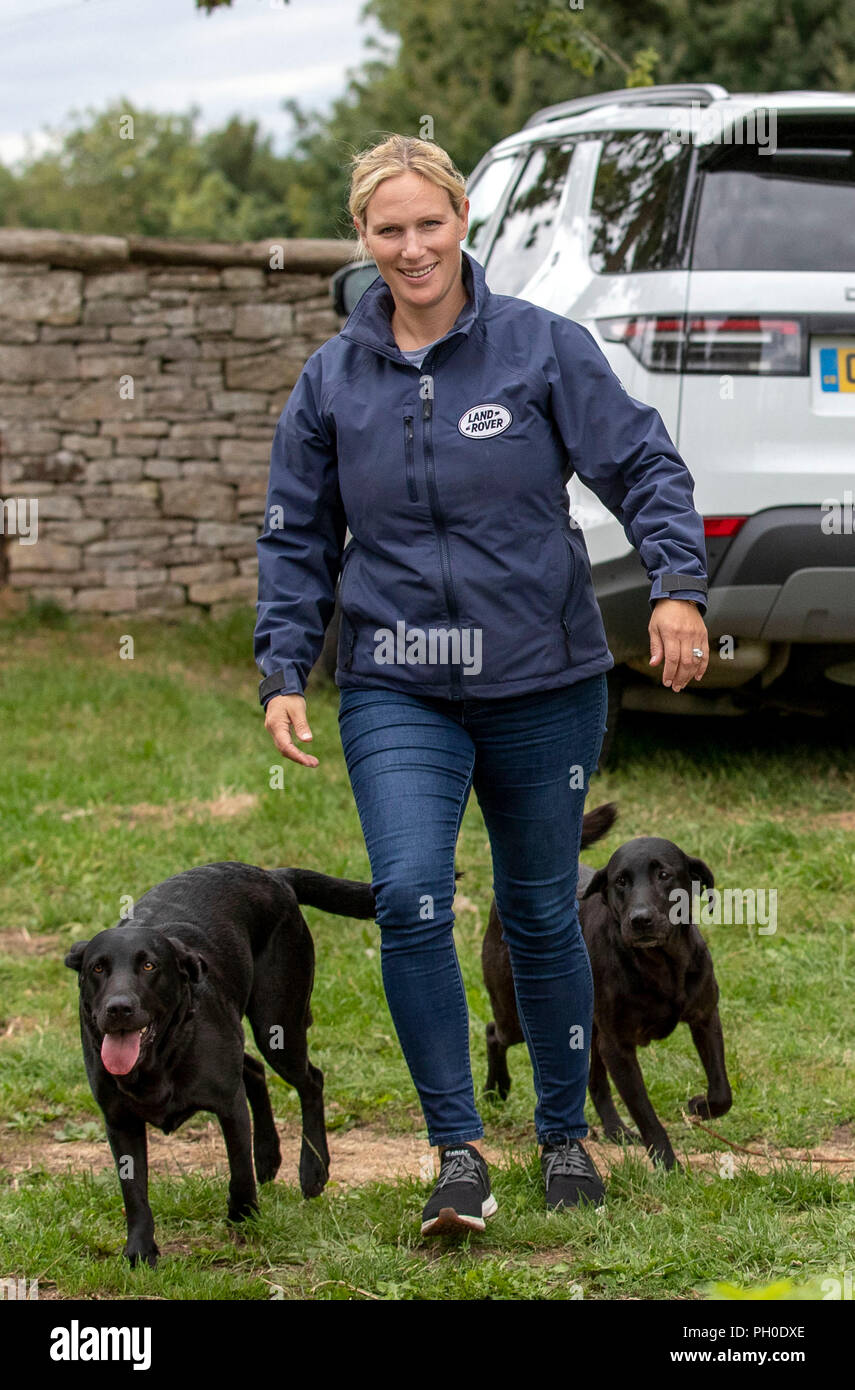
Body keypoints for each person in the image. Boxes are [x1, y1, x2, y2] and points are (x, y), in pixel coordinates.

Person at [254, 134, 710, 1237]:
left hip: (543, 677)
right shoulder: (333, 378)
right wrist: (282, 661)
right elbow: (298, 533)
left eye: (429, 223)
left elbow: (643, 461)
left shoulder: (541, 349)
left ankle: (563, 1133)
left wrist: (678, 585)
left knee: (546, 910)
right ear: (361, 238)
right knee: (412, 896)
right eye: (387, 228)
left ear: (464, 220)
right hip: (397, 681)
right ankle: (458, 1152)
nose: (411, 248)